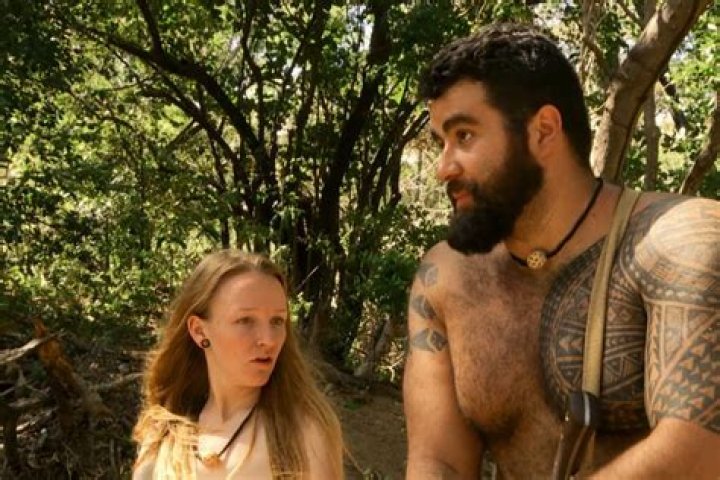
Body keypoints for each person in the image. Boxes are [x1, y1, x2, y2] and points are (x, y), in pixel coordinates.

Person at [404, 23, 719, 479]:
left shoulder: (680, 241)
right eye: (441, 142)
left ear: (544, 131)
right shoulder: (446, 280)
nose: (442, 168)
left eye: (464, 136)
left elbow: (699, 452)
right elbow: (440, 462)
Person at [132, 250, 343, 479]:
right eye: (245, 321)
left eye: (277, 321)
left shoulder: (304, 432)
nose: (268, 340)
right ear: (199, 331)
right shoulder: (163, 435)